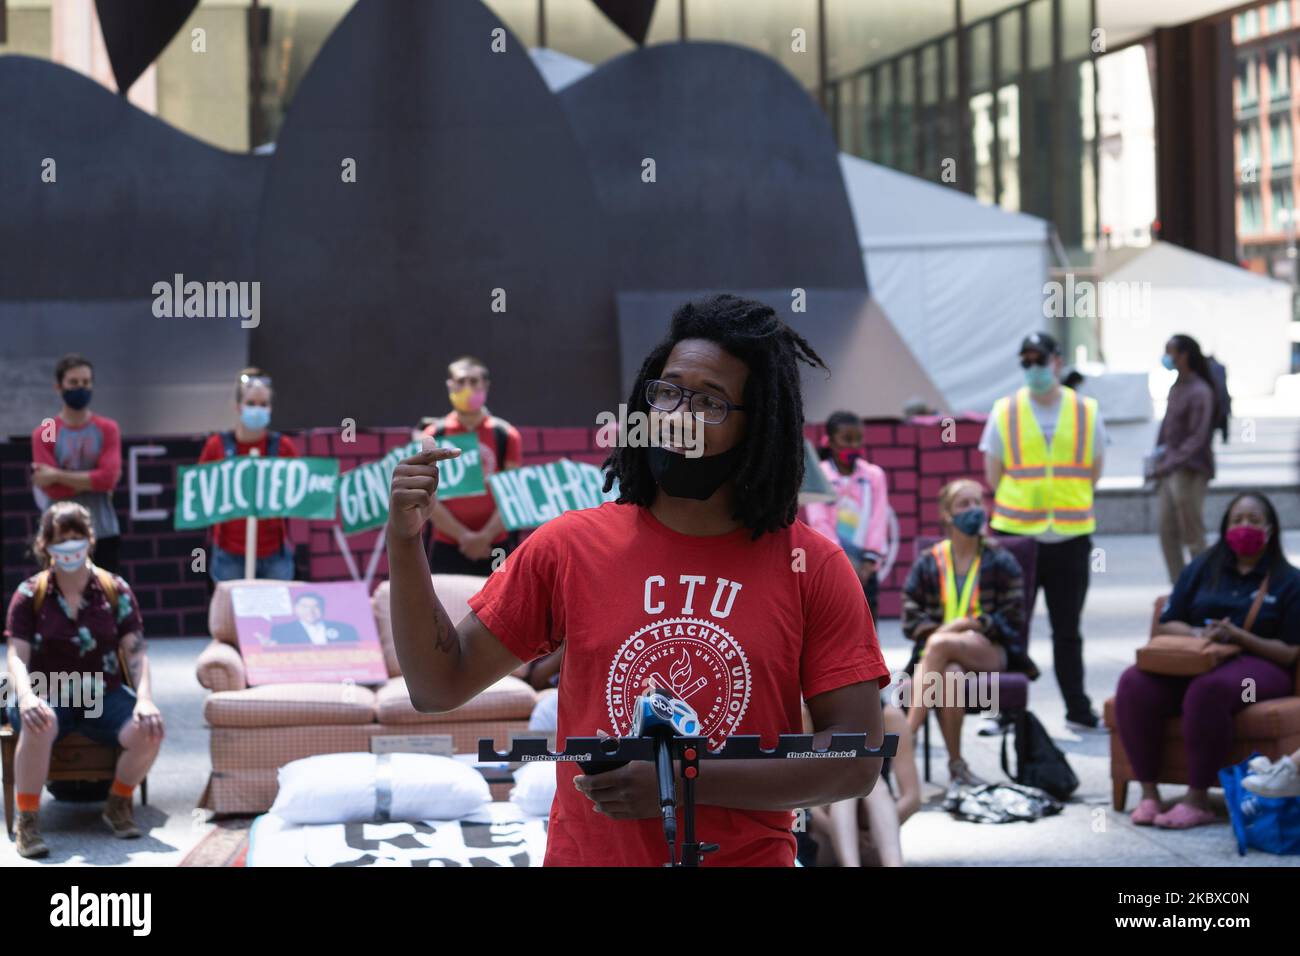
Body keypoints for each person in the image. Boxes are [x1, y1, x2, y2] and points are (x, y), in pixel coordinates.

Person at [386, 294, 890, 867]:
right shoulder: (569, 546)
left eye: (711, 403)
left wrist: (684, 781)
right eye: (669, 391)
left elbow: (856, 759)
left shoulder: (813, 566)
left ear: (760, 426)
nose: (678, 415)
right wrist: (405, 544)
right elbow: (437, 685)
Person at [1115, 492, 1299, 829]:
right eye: (1237, 520)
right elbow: (1168, 620)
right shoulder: (1203, 567)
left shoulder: (1288, 580)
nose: (1245, 526)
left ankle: (1197, 799)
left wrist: (1241, 637)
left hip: (1257, 671)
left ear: (1270, 529)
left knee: (1208, 690)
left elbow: (1289, 651)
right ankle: (1149, 793)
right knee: (1134, 683)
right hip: (1198, 658)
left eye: (1254, 521)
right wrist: (1199, 635)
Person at [4, 502, 163, 858]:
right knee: (39, 720)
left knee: (150, 728)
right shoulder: (30, 594)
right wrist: (26, 697)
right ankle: (27, 820)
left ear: (90, 541)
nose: (70, 548)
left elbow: (136, 653)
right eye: (62, 539)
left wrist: (145, 699)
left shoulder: (114, 589)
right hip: (46, 690)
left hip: (100, 692)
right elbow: (16, 656)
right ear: (45, 545)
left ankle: (118, 803)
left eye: (77, 538)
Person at [981, 331, 1107, 731]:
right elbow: (993, 475)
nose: (1033, 368)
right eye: (1026, 361)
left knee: (1067, 629)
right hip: (1017, 537)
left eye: (1040, 360)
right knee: (1011, 628)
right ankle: (1008, 709)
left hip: (1070, 537)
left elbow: (1094, 471)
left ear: (1057, 361)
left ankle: (1078, 708)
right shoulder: (1005, 411)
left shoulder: (1086, 411)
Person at [901, 478, 1030, 785]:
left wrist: (972, 624)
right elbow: (910, 617)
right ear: (947, 515)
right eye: (964, 504)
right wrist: (947, 630)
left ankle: (906, 737)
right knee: (950, 673)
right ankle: (957, 765)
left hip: (990, 650)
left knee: (941, 645)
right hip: (941, 659)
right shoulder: (929, 561)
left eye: (978, 502)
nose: (975, 510)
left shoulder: (1000, 559)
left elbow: (1014, 620)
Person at [420, 357, 523, 576]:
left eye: (474, 381)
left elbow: (512, 494)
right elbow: (428, 495)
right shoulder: (433, 435)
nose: (467, 388)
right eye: (461, 381)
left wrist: (485, 536)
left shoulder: (505, 434)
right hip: (447, 544)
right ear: (450, 385)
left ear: (486, 385)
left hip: (496, 543)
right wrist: (464, 537)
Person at [198, 368, 299, 582]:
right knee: (233, 615)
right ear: (238, 406)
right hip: (229, 554)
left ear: (271, 409)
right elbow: (200, 491)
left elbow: (300, 489)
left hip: (275, 554)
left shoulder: (283, 447)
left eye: (263, 405)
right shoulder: (216, 446)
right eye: (251, 404)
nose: (257, 410)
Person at [30, 354, 123, 574]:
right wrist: (93, 480)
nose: (80, 387)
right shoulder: (46, 431)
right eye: (73, 383)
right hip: (57, 534)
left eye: (85, 382)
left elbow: (108, 477)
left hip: (102, 532)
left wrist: (56, 474)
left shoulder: (107, 428)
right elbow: (50, 487)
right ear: (59, 387)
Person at [801, 410, 890, 619]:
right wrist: (841, 560)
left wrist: (869, 562)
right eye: (847, 439)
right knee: (832, 620)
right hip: (830, 562)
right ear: (830, 441)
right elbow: (818, 521)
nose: (854, 446)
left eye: (858, 439)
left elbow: (878, 519)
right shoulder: (819, 474)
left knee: (867, 619)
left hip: (865, 566)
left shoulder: (874, 475)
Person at [809, 702, 920, 867]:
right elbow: (807, 805)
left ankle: (894, 863)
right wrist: (843, 832)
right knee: (848, 783)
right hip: (826, 835)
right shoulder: (813, 715)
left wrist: (876, 832)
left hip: (873, 834)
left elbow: (912, 798)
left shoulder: (889, 715)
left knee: (872, 782)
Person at [1152, 333, 1218, 584]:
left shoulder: (1201, 391)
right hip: (1169, 469)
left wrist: (1170, 461)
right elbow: (1167, 428)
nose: (1167, 358)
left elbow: (1198, 438)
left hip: (1190, 471)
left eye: (1171, 352)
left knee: (1193, 533)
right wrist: (1158, 459)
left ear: (1184, 355)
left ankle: (1203, 587)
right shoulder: (1176, 386)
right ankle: (1180, 587)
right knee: (1166, 531)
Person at [269, 592, 359, 645]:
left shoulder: (345, 629)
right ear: (295, 609)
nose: (310, 611)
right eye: (305, 607)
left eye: (315, 606)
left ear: (322, 608)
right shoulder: (281, 631)